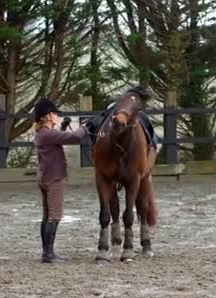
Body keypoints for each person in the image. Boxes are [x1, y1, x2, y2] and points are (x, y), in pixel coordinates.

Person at [33, 98, 90, 263]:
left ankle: (47, 252)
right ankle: (49, 254)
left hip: (44, 177)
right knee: (55, 216)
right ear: (48, 116)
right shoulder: (48, 134)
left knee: (47, 216)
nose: (57, 115)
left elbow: (59, 137)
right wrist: (85, 126)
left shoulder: (42, 133)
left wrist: (63, 126)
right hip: (53, 179)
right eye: (54, 113)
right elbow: (74, 138)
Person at [85, 86, 158, 150]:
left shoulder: (135, 106)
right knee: (97, 121)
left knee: (146, 123)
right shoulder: (117, 104)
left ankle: (151, 145)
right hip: (115, 110)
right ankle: (93, 143)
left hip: (125, 111)